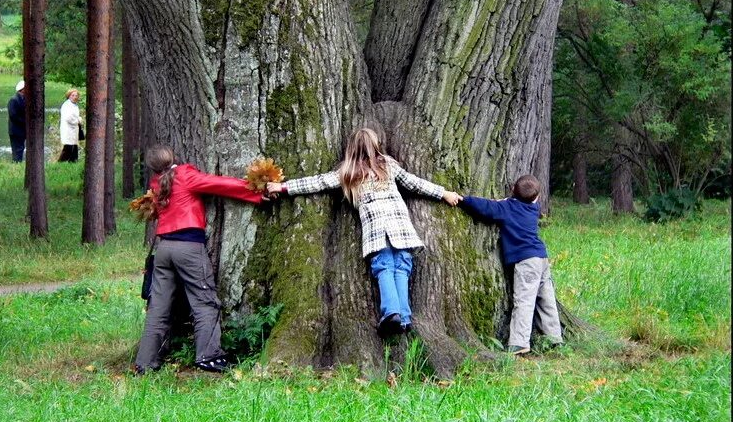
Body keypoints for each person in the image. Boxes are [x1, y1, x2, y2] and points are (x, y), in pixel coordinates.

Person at [266, 128, 461, 337]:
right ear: (376, 146)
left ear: (351, 149)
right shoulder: (387, 166)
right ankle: (404, 317)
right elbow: (415, 183)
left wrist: (283, 187)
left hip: (377, 230)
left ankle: (392, 313)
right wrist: (444, 193)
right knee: (402, 268)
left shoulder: (349, 173)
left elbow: (317, 182)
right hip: (401, 228)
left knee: (385, 267)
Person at [134, 145, 268, 374]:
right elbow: (220, 184)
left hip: (164, 249)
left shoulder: (156, 183)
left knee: (159, 307)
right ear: (173, 157)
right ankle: (208, 356)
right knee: (205, 301)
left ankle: (145, 363)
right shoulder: (184, 175)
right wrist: (257, 191)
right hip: (188, 248)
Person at [458, 174, 563, 355]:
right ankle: (554, 337)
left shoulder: (506, 208)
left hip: (526, 261)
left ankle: (520, 342)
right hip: (541, 257)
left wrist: (463, 200)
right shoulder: (533, 208)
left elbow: (486, 207)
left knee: (524, 300)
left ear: (513, 190)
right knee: (546, 299)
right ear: (537, 197)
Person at [58, 88, 82, 162]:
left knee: (74, 147)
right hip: (68, 129)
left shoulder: (74, 105)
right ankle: (60, 163)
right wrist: (78, 120)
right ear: (69, 96)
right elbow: (69, 118)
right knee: (68, 147)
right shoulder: (67, 105)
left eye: (76, 95)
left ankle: (74, 162)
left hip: (74, 130)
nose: (75, 97)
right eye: (73, 95)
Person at [7, 80, 26, 162]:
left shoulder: (24, 99)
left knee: (21, 148)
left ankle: (18, 163)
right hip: (15, 130)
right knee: (17, 149)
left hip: (21, 130)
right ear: (22, 89)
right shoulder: (14, 100)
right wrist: (25, 122)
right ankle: (16, 164)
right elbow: (13, 116)